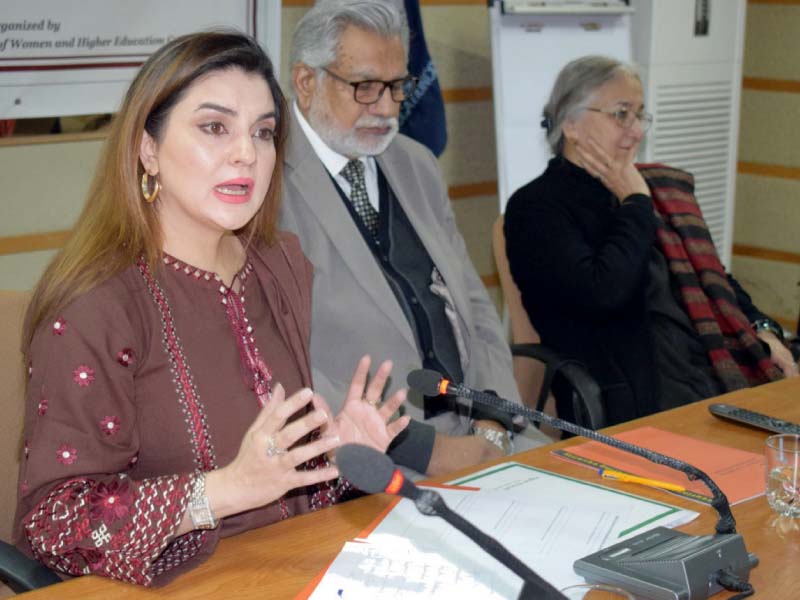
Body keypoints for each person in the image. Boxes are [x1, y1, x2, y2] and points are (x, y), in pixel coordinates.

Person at [13, 31, 410, 587]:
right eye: (214, 127)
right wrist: (221, 490)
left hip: (299, 567)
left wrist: (336, 457)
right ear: (147, 148)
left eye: (264, 132)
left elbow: (282, 492)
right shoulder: (96, 302)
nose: (246, 152)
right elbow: (53, 526)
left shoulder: (278, 264)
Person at [279, 0, 550, 478]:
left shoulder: (415, 162)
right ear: (306, 82)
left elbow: (475, 306)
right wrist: (428, 451)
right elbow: (275, 362)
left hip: (484, 432)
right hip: (372, 458)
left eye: (397, 86)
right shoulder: (264, 184)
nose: (386, 108)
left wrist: (492, 421)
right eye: (365, 87)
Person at [505, 55, 798, 427]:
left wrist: (761, 329)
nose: (637, 131)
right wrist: (636, 205)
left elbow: (713, 279)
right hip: (638, 396)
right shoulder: (537, 208)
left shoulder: (651, 187)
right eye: (621, 114)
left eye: (640, 115)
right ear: (571, 125)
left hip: (712, 371)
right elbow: (605, 292)